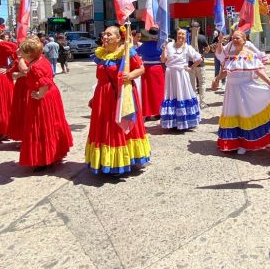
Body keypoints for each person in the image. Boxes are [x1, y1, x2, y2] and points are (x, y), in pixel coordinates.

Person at [212, 30, 270, 154]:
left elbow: (259, 70)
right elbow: (225, 71)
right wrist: (216, 80)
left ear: (244, 40)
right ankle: (234, 142)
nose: (235, 40)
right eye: (233, 38)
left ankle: (245, 144)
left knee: (245, 115)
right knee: (233, 114)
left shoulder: (249, 54)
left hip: (245, 89)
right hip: (231, 90)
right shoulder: (229, 54)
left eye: (238, 38)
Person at [86, 26, 151, 175]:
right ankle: (105, 161)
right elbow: (100, 78)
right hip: (103, 97)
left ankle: (120, 162)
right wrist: (94, 97)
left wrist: (130, 76)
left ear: (118, 38)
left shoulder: (126, 52)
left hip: (121, 96)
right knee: (104, 128)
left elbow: (141, 69)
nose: (105, 37)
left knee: (118, 128)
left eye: (109, 34)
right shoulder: (101, 54)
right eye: (104, 34)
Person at [17, 38, 73, 171]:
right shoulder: (40, 59)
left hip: (44, 97)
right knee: (51, 124)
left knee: (41, 125)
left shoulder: (36, 65)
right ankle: (52, 154)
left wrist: (39, 95)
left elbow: (44, 82)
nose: (19, 51)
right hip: (51, 95)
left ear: (29, 53)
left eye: (21, 50)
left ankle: (44, 158)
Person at [160, 28, 202, 130]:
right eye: (179, 34)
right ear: (176, 35)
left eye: (183, 34)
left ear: (186, 36)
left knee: (183, 95)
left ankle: (185, 121)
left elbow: (199, 58)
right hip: (170, 74)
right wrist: (163, 50)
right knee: (171, 95)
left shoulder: (188, 47)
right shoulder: (169, 45)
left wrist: (190, 68)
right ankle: (173, 122)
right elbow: (163, 60)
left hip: (182, 74)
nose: (181, 36)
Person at [137, 27, 165, 120]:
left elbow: (135, 53)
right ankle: (159, 111)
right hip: (157, 69)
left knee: (146, 91)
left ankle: (147, 113)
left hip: (146, 69)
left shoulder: (144, 45)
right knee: (158, 91)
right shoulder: (160, 45)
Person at [6, 47, 30, 143]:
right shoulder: (19, 59)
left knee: (25, 111)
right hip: (20, 87)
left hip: (26, 86)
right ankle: (23, 137)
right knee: (21, 112)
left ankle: (27, 138)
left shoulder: (25, 58)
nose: (17, 50)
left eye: (20, 48)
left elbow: (27, 72)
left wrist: (18, 74)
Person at [189, 21, 210, 108]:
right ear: (199, 28)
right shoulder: (202, 37)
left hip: (190, 64)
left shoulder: (187, 38)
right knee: (202, 83)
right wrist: (203, 54)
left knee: (192, 83)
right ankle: (202, 102)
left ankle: (193, 102)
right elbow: (207, 48)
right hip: (200, 63)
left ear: (190, 29)